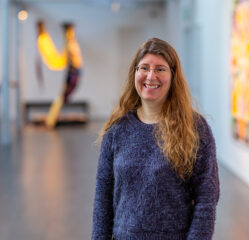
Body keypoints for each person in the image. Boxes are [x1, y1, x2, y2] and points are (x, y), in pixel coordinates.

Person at [91, 38, 220, 240]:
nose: (151, 76)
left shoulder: (195, 128)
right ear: (134, 73)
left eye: (160, 69)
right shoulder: (117, 129)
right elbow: (103, 197)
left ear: (173, 76)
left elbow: (206, 199)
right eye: (144, 68)